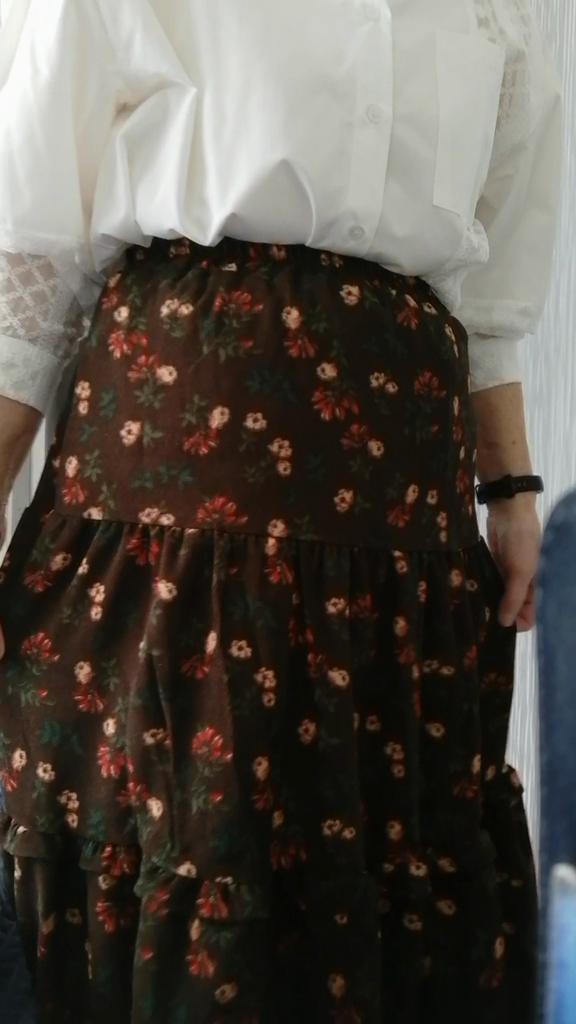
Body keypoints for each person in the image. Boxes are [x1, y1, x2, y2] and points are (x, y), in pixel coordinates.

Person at [0, 0, 563, 1022]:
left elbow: (487, 298)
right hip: (172, 512)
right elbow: (29, 263)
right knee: (184, 834)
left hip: (399, 525)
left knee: (381, 852)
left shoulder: (503, 9)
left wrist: (512, 487)